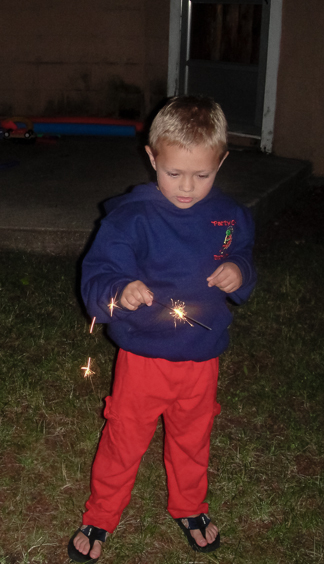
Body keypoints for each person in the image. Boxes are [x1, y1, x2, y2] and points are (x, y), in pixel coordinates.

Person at [69, 96, 257, 561]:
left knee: (193, 438)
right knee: (124, 437)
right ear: (152, 157)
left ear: (221, 162)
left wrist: (239, 269)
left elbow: (244, 252)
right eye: (174, 173)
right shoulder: (131, 219)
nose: (188, 187)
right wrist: (119, 288)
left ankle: (190, 505)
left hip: (202, 355)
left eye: (203, 175)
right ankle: (101, 514)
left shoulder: (228, 218)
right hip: (144, 358)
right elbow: (97, 273)